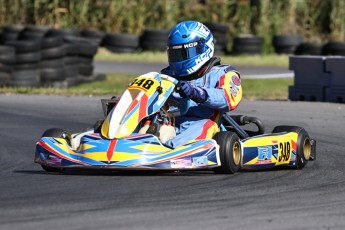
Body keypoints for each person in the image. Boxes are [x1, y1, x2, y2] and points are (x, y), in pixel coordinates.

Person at [160, 20, 242, 148]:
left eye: (184, 53)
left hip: (201, 123)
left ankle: (169, 151)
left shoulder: (222, 73)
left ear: (202, 49)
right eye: (175, 54)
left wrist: (197, 93)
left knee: (202, 127)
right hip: (169, 122)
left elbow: (229, 99)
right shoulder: (167, 75)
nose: (179, 59)